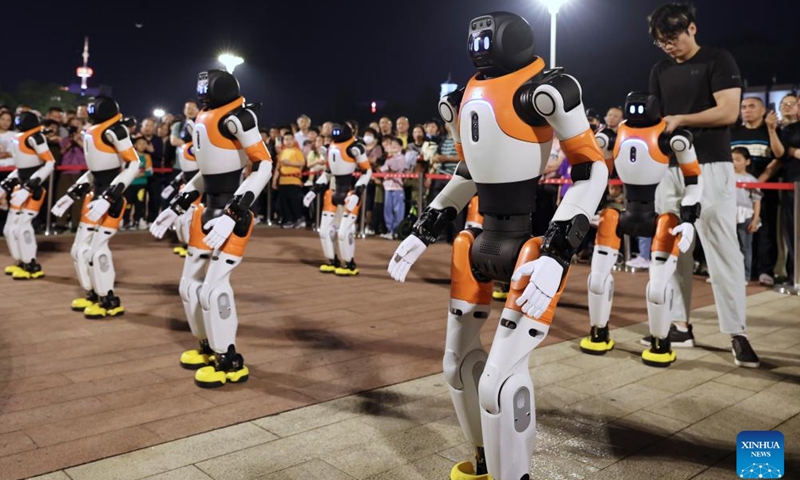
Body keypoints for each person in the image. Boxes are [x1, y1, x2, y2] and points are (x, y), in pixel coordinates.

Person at [388, 12, 609, 480]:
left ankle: (516, 474)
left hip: (534, 248)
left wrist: (559, 249)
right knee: (456, 367)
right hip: (476, 240)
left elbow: (591, 168)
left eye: (487, 35)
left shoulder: (549, 89)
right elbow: (467, 172)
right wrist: (422, 228)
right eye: (474, 34)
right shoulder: (462, 98)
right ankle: (486, 459)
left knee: (498, 383)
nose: (479, 42)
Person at [646, 2, 759, 367]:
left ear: (691, 28)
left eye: (672, 37)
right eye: (661, 41)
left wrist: (680, 118)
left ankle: (737, 332)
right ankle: (680, 323)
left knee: (723, 249)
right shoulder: (659, 69)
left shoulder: (718, 59)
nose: (668, 46)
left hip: (712, 164)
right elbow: (653, 117)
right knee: (672, 249)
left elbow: (728, 111)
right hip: (670, 168)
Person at [150, 70, 272, 388]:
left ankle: (228, 357)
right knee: (189, 286)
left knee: (212, 289)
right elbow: (206, 172)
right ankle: (206, 346)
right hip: (205, 210)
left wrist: (234, 211)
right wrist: (177, 205)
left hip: (232, 213)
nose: (202, 90)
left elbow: (263, 165)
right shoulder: (205, 117)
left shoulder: (240, 117)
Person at [51, 96, 141, 319]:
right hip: (95, 195)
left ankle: (108, 298)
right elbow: (94, 170)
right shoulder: (92, 131)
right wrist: (72, 193)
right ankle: (91, 293)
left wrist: (111, 194)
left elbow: (134, 163)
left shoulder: (116, 130)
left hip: (110, 198)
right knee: (78, 250)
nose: (89, 110)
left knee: (96, 250)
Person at [1, 112, 56, 279]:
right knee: (10, 229)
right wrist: (5, 185)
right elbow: (20, 168)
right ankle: (20, 261)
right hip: (20, 185)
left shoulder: (36, 138)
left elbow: (50, 162)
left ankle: (31, 264)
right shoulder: (18, 138)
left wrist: (31, 185)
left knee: (23, 227)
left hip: (33, 189)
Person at [732, 147, 762, 283]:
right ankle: (727, 275)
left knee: (745, 246)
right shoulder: (727, 176)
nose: (734, 163)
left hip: (745, 215)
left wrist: (755, 220)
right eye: (732, 160)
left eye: (738, 160)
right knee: (727, 245)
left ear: (747, 161)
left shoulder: (752, 180)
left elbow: (756, 201)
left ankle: (745, 275)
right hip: (728, 214)